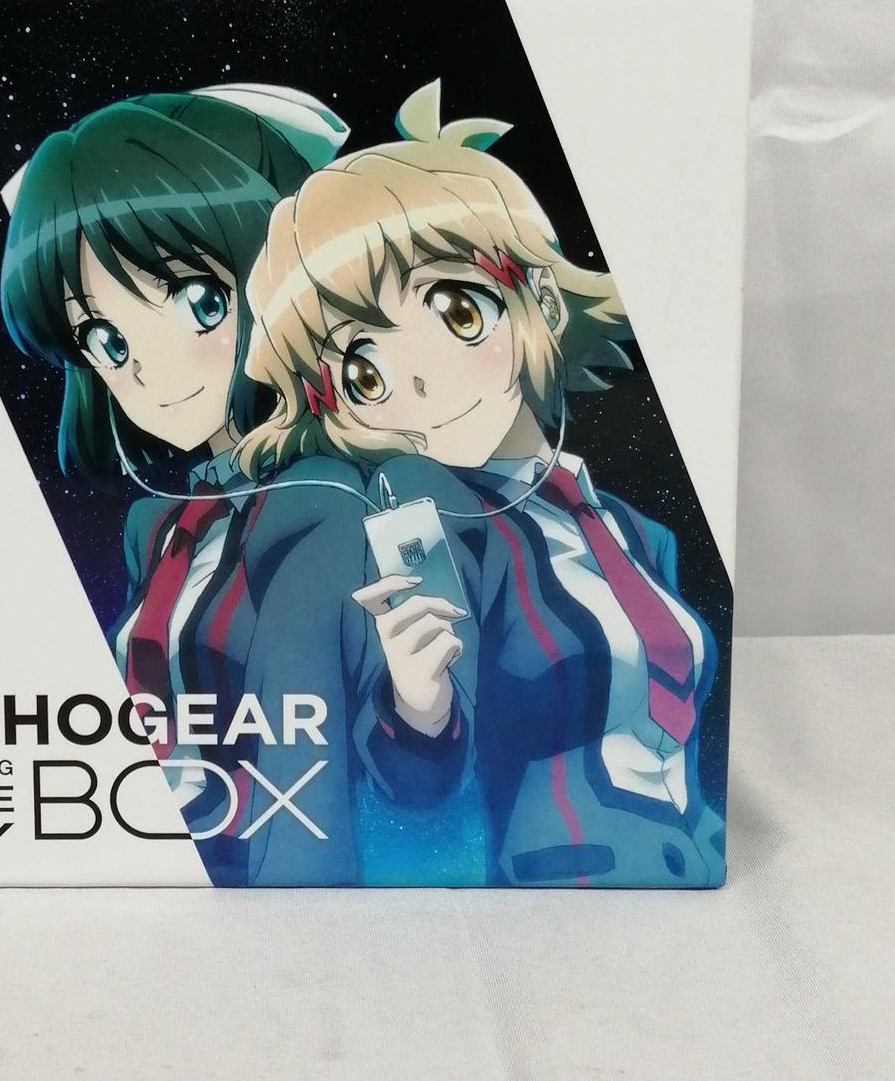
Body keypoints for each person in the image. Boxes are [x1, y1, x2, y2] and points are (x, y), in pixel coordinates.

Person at [236, 79, 725, 886]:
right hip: (553, 895)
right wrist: (417, 707)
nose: (422, 383)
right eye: (363, 372)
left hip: (693, 871)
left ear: (542, 301)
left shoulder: (641, 535)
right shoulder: (425, 521)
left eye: (456, 313)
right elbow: (419, 781)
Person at [0, 85, 438, 885]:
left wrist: (422, 708)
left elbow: (389, 774)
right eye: (103, 337)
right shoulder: (159, 528)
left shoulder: (350, 501)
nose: (147, 367)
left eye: (199, 301)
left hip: (286, 895)